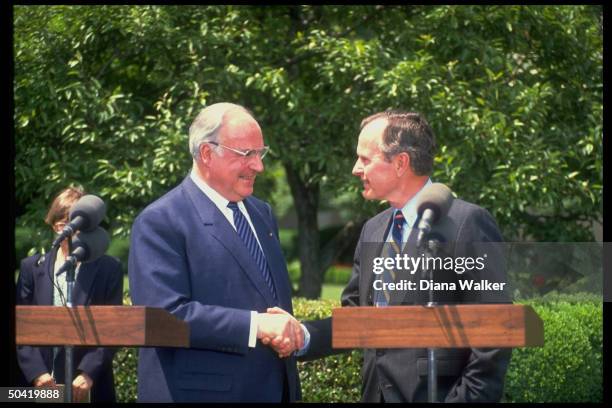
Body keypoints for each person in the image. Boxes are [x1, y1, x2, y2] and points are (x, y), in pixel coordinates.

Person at [285, 110, 512, 402]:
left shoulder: (468, 222)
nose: (356, 168)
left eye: (365, 159)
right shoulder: (373, 229)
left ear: (401, 163)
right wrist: (303, 335)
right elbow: (357, 319)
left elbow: (494, 330)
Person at [128, 103, 307, 402]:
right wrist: (256, 325)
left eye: (260, 153)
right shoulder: (160, 220)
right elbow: (162, 317)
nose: (258, 166)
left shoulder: (262, 214)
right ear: (207, 154)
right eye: (245, 154)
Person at [16, 186, 123, 403]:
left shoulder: (109, 269)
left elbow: (114, 329)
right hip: (39, 385)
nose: (66, 231)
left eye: (73, 225)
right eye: (61, 225)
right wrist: (37, 373)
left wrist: (88, 373)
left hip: (88, 386)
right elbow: (20, 327)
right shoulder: (30, 267)